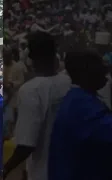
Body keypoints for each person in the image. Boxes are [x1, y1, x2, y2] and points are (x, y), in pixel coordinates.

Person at [3, 32, 71, 180]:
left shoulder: (31, 90)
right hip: (68, 164)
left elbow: (26, 144)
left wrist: (5, 169)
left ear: (30, 59)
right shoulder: (68, 82)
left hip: (44, 170)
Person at [48, 50, 112, 180]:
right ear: (86, 74)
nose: (105, 75)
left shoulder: (78, 98)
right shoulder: (83, 106)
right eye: (100, 70)